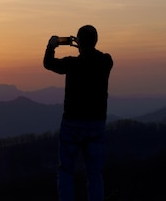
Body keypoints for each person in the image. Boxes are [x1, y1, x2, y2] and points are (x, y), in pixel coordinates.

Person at [43, 25, 113, 201]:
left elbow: (48, 63)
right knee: (95, 174)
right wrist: (83, 45)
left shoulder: (72, 64)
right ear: (96, 41)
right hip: (96, 123)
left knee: (66, 170)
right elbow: (96, 55)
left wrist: (51, 46)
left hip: (72, 123)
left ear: (80, 41)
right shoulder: (106, 62)